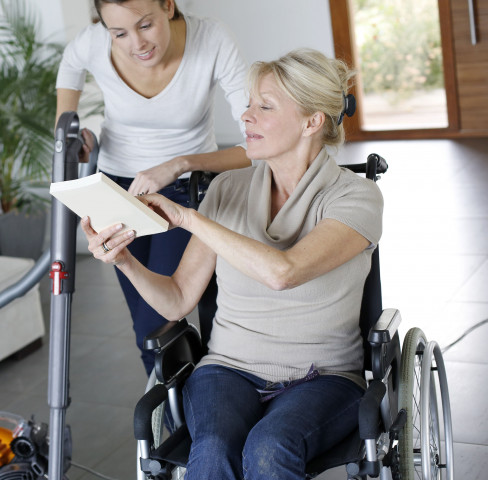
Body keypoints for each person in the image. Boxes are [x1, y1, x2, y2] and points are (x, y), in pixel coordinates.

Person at [81, 48, 383, 479]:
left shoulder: (356, 196)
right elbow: (177, 300)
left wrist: (190, 218)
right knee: (212, 449)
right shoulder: (226, 189)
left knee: (269, 448)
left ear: (312, 121)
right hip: (227, 370)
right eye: (248, 104)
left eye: (265, 106)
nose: (246, 116)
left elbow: (284, 272)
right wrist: (124, 259)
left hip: (324, 377)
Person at [56, 0, 251, 374]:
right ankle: (171, 410)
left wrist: (180, 162)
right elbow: (70, 65)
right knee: (147, 331)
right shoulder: (93, 42)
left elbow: (254, 147)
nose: (137, 44)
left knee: (160, 320)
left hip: (184, 191)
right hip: (116, 189)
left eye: (145, 25)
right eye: (119, 33)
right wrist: (66, 131)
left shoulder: (211, 39)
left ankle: (202, 397)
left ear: (169, 6)